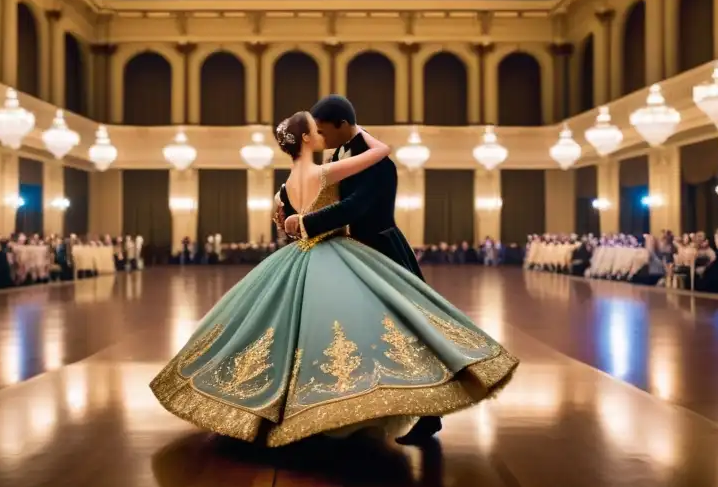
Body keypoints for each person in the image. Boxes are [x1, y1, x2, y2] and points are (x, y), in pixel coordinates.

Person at [150, 108, 518, 449]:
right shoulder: (326, 170)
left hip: (313, 255)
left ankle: (301, 412)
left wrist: (296, 223)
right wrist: (362, 137)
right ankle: (346, 408)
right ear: (308, 140)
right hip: (340, 251)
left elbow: (288, 222)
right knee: (356, 329)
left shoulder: (286, 184)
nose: (322, 135)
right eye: (316, 131)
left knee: (306, 333)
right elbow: (376, 160)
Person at [283, 94, 442, 444]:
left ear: (342, 125)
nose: (320, 139)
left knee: (409, 329)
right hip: (351, 253)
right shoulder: (341, 154)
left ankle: (430, 414)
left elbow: (356, 206)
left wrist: (306, 222)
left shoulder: (377, 163)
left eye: (324, 131)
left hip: (381, 249)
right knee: (357, 333)